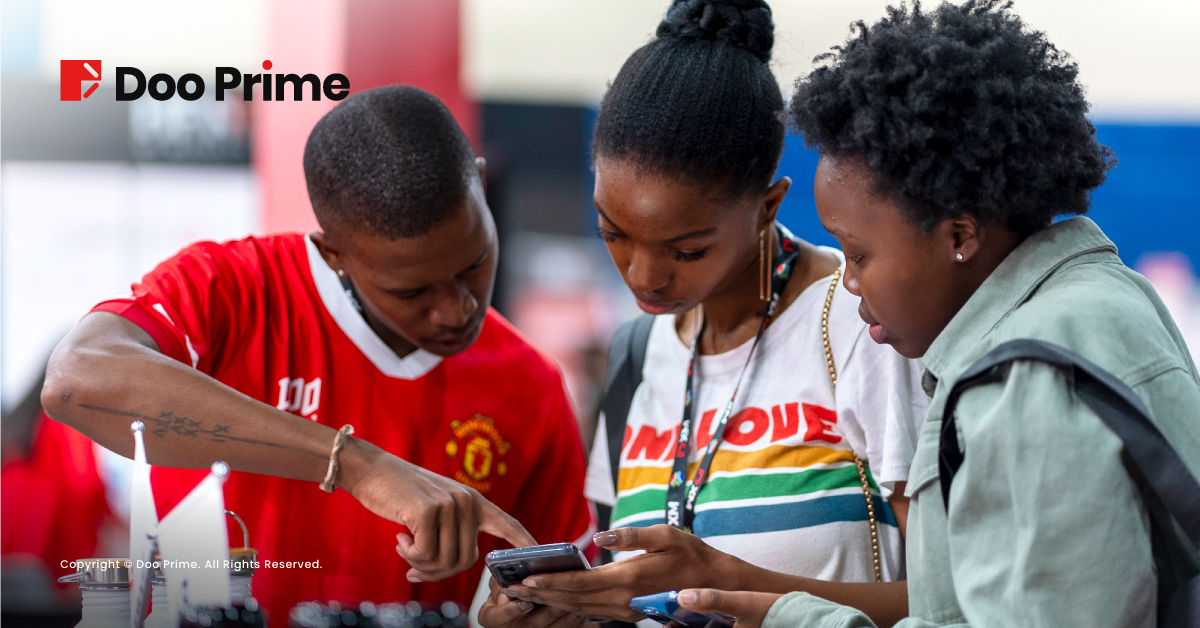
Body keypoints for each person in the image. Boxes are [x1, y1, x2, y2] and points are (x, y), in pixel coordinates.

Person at [669, 1, 1200, 627]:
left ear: (959, 236)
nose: (848, 282)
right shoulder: (1108, 300)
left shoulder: (1025, 377)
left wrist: (795, 619)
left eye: (858, 255)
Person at [41, 85, 594, 623]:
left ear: (480, 183)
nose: (456, 310)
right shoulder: (233, 290)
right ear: (332, 252)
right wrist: (354, 464)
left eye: (474, 263)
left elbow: (565, 600)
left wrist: (528, 614)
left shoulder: (530, 382)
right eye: (412, 292)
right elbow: (76, 378)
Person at [480, 2, 927, 627]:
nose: (643, 276)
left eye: (687, 250)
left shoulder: (864, 323)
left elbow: (955, 602)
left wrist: (729, 583)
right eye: (614, 233)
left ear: (767, 206)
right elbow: (629, 599)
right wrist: (567, 611)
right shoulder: (637, 353)